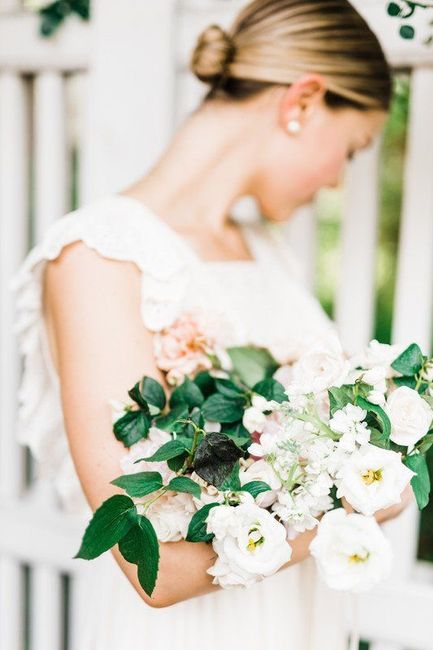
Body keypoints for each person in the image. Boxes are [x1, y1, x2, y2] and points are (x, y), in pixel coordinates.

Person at [11, 1, 413, 648]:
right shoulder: (97, 259)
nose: (337, 179)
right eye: (350, 149)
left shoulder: (266, 251)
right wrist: (354, 505)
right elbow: (156, 572)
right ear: (302, 102)